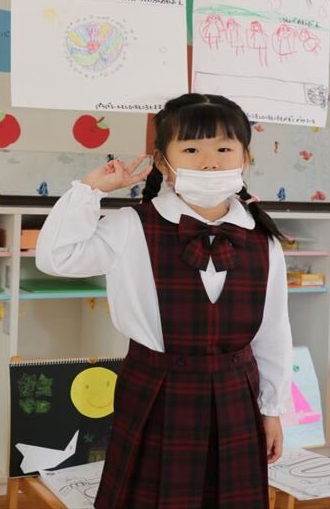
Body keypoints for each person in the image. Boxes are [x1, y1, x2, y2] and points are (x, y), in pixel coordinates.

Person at [36, 93, 293, 509]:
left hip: (237, 394)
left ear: (246, 157)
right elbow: (57, 257)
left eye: (224, 149)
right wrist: (91, 190)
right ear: (162, 161)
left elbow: (273, 333)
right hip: (156, 390)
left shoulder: (263, 240)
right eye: (191, 150)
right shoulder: (130, 226)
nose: (209, 163)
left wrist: (272, 409)